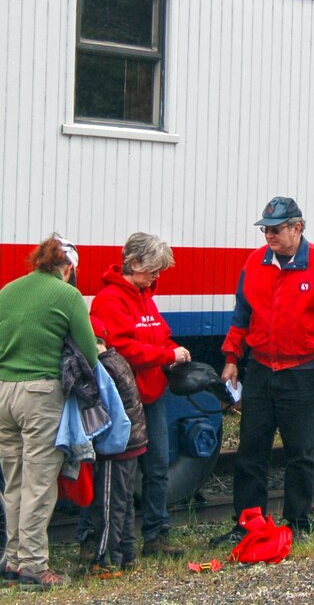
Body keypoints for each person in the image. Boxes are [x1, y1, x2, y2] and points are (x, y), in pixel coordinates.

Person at [210, 197, 314, 545]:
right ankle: (248, 523)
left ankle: (298, 522)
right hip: (260, 368)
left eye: (275, 229)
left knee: (300, 452)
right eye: (265, 230)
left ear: (297, 228)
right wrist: (231, 357)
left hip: (303, 371)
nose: (268, 236)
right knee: (250, 451)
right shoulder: (254, 263)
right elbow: (242, 316)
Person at [0, 234, 98, 590]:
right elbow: (88, 353)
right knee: (39, 483)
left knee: (13, 481)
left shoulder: (8, 290)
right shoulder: (67, 294)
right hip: (40, 395)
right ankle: (35, 568)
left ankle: (12, 561)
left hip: (4, 392)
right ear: (67, 267)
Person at [90, 232, 190, 559]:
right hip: (125, 400)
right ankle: (100, 540)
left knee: (157, 467)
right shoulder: (110, 300)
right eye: (153, 270)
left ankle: (155, 535)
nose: (157, 276)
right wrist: (167, 356)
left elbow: (159, 334)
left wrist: (172, 349)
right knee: (117, 473)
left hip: (150, 394)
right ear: (134, 264)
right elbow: (122, 350)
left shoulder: (144, 296)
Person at [80, 317, 148, 577]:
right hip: (134, 442)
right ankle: (128, 555)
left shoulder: (102, 368)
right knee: (125, 502)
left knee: (108, 504)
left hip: (116, 447)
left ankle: (106, 559)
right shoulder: (117, 360)